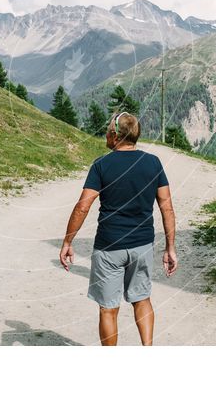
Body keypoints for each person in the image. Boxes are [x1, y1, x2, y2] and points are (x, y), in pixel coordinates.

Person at [59, 111, 177, 346]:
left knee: (108, 309)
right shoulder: (153, 162)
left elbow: (83, 206)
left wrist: (68, 242)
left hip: (109, 246)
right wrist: (170, 248)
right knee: (142, 299)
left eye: (107, 130)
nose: (105, 134)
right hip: (142, 245)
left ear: (114, 135)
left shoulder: (101, 164)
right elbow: (167, 208)